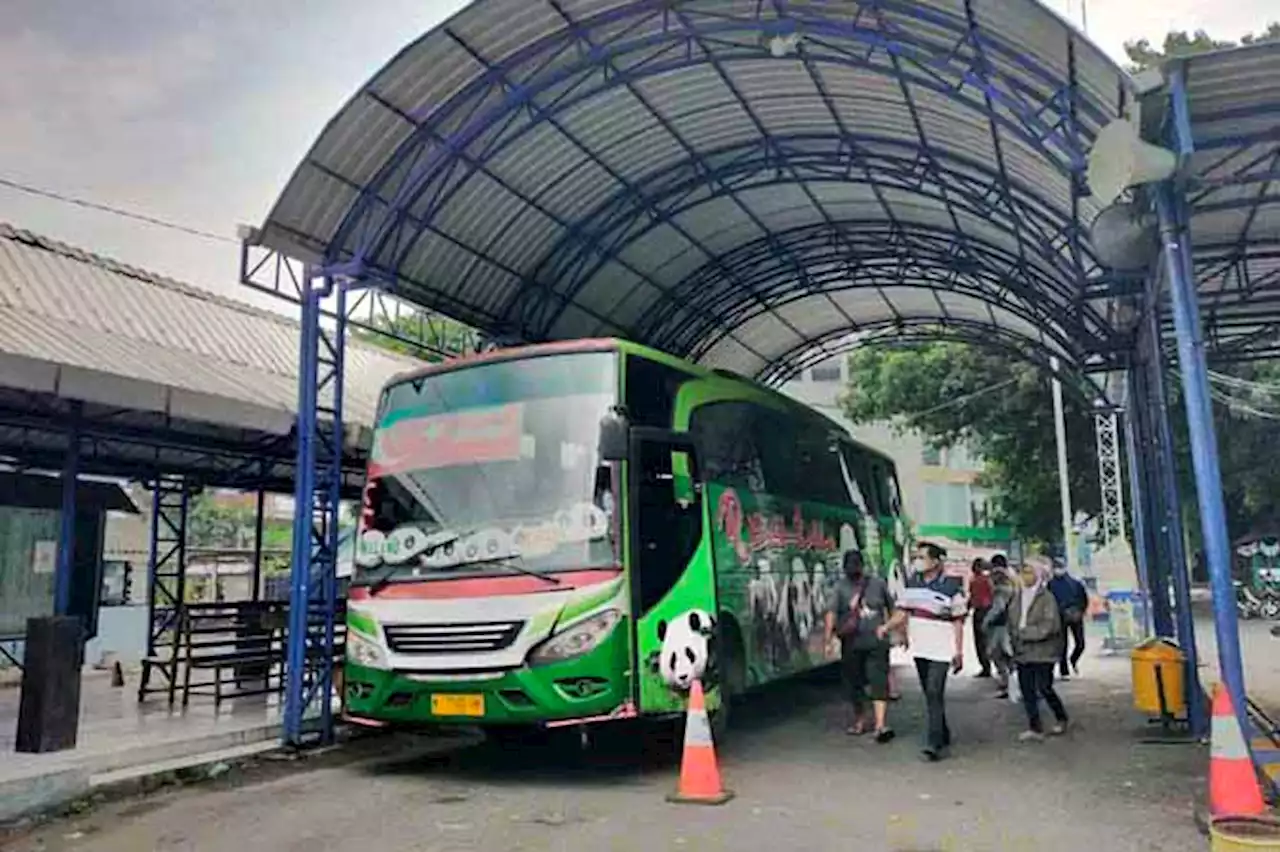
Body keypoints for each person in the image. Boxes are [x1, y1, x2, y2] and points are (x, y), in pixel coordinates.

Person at [888, 541, 966, 762]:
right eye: (916, 557)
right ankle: (943, 731)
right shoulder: (913, 583)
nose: (917, 561)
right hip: (921, 647)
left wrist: (959, 651)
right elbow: (902, 612)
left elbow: (958, 621)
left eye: (921, 557)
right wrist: (891, 628)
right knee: (929, 693)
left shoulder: (951, 586)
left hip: (942, 649)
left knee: (934, 692)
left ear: (935, 561)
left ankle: (934, 743)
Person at [824, 550, 897, 743]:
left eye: (855, 565)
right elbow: (831, 613)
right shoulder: (840, 587)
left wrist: (894, 630)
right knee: (854, 683)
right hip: (852, 643)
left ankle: (879, 723)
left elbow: (893, 608)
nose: (852, 569)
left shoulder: (878, 584)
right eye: (850, 566)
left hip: (876, 642)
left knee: (878, 681)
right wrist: (829, 638)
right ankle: (861, 719)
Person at [1009, 560, 1070, 742]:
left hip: (1043, 651)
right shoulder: (1018, 596)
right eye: (1023, 572)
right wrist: (1015, 637)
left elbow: (1050, 625)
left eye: (1029, 572)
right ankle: (1035, 727)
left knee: (1044, 687)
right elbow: (1012, 620)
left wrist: (1026, 633)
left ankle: (1061, 717)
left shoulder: (1046, 598)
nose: (1026, 576)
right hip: (1023, 651)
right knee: (1027, 690)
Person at [982, 554, 1017, 699]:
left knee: (997, 654)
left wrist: (986, 621)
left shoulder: (1001, 584)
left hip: (1000, 625)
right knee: (1007, 655)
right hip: (1010, 622)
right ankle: (1011, 685)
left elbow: (998, 607)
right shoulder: (1013, 578)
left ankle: (1009, 685)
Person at [1048, 560, 1089, 679]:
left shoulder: (1075, 583)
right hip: (1059, 617)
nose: (1058, 570)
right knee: (1062, 645)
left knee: (1080, 643)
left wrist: (1080, 611)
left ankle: (1073, 659)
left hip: (1075, 615)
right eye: (1056, 567)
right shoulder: (1051, 585)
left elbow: (1083, 598)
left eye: (1060, 567)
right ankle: (1064, 671)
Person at [968, 558, 994, 678]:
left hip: (981, 611)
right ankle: (987, 666)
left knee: (981, 642)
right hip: (986, 611)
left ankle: (986, 667)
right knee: (985, 641)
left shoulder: (977, 580)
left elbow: (972, 598)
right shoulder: (988, 580)